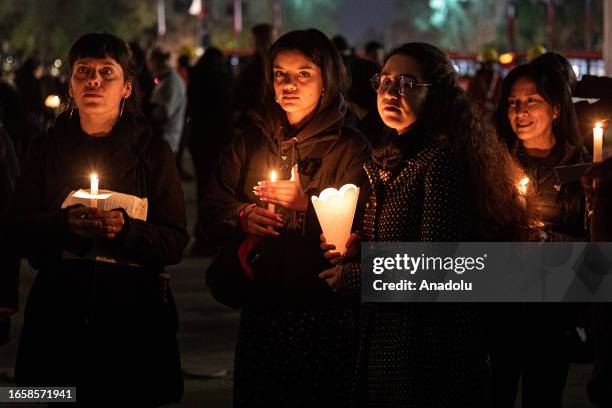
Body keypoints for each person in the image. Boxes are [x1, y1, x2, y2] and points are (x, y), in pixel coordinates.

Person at [321, 42, 528, 407]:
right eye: (384, 81)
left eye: (405, 83)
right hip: (391, 339)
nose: (389, 92)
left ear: (438, 94)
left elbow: (436, 268)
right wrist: (361, 249)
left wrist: (355, 276)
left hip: (429, 352)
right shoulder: (390, 156)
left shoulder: (441, 163)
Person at [7, 33, 187, 406]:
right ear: (71, 84)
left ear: (126, 87)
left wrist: (128, 229)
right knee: (49, 398)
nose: (94, 81)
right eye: (83, 72)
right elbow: (15, 229)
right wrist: (62, 225)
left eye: (107, 72)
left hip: (133, 320)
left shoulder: (153, 152)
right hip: (58, 318)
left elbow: (174, 240)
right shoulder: (46, 148)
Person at [202, 29, 370, 406]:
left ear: (327, 77)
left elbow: (360, 229)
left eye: (303, 74)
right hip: (262, 304)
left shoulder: (351, 145)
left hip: (323, 309)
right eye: (280, 74)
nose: (289, 84)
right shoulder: (252, 139)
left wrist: (306, 205)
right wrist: (242, 215)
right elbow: (212, 205)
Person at [491, 62, 588, 408]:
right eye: (513, 102)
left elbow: (597, 251)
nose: (520, 111)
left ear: (557, 107)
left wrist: (550, 243)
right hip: (499, 314)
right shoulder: (494, 165)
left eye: (532, 100)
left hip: (553, 316)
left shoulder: (582, 171)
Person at [188, 47, 234, 256]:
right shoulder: (219, 80)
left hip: (199, 139)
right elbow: (226, 110)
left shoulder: (196, 78)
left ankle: (203, 236)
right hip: (216, 140)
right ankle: (211, 236)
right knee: (215, 190)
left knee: (203, 189)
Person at [148, 47, 187, 156]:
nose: (149, 66)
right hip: (162, 140)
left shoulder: (172, 83)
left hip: (167, 142)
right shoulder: (165, 79)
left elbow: (162, 113)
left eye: (150, 62)